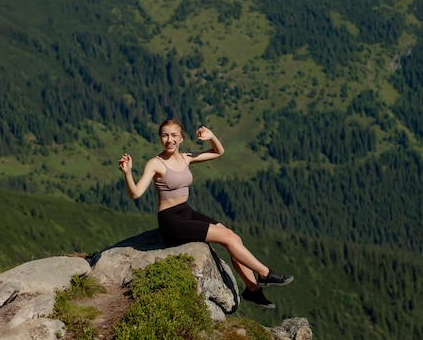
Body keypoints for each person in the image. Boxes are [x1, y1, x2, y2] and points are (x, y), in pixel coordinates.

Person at [118, 118, 293, 308]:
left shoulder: (186, 157)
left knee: (233, 238)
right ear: (160, 138)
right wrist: (128, 173)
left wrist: (211, 137)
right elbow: (136, 194)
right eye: (165, 135)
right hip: (171, 220)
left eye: (174, 135)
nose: (169, 140)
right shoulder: (155, 163)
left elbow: (218, 151)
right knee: (228, 238)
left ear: (182, 138)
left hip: (186, 211)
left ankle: (253, 289)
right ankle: (265, 274)